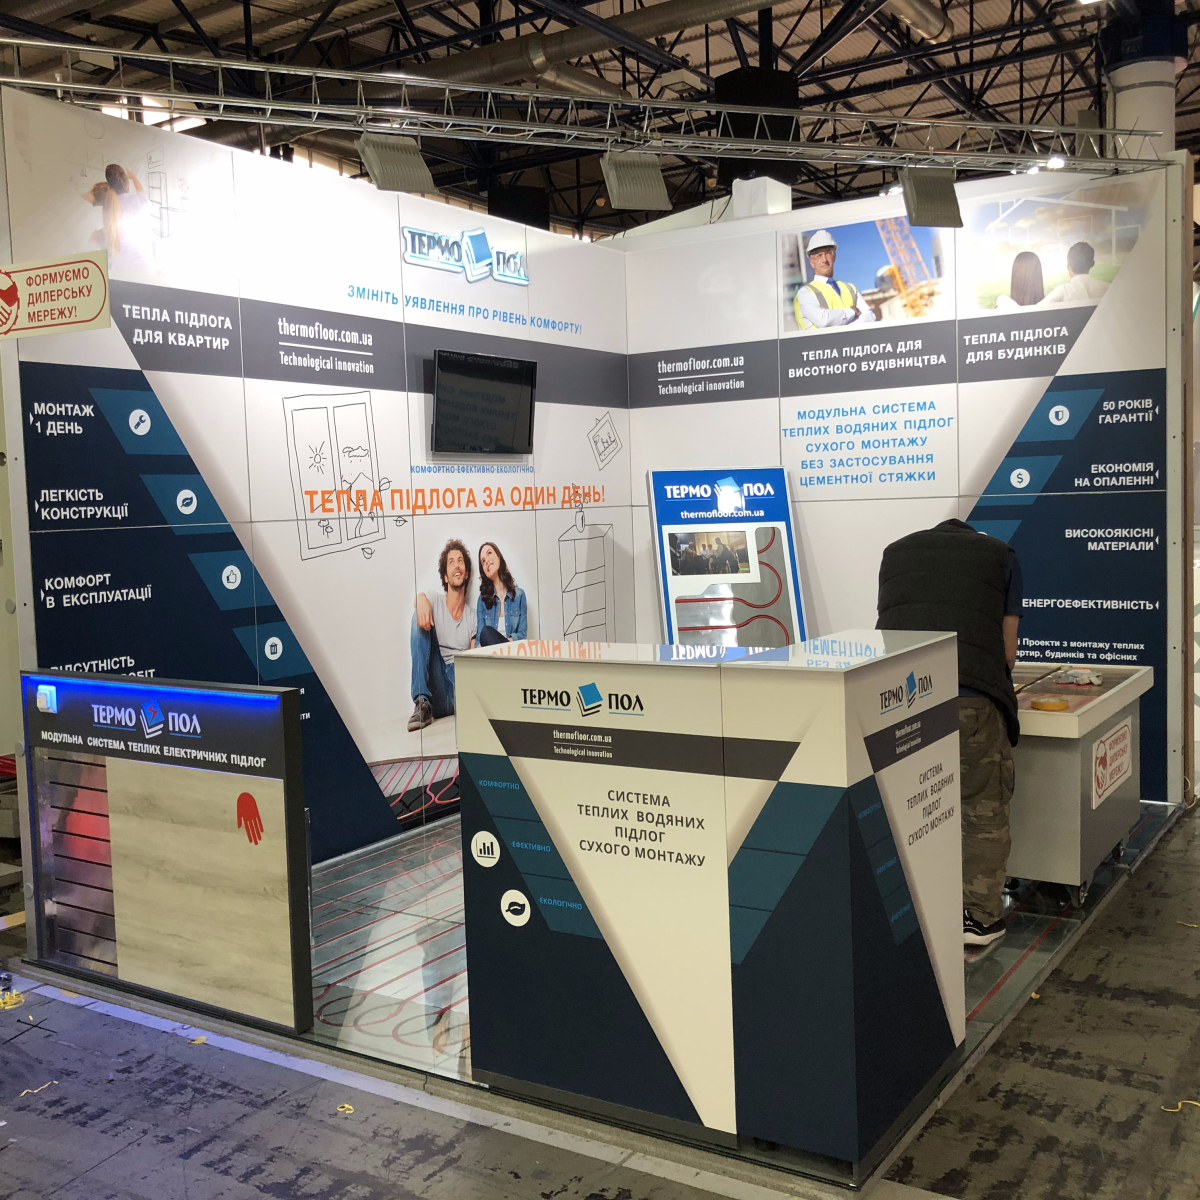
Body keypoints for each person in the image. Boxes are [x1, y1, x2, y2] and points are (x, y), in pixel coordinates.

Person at [875, 518, 1023, 948]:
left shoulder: (895, 551)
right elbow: (1007, 650)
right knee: (982, 806)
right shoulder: (1001, 555)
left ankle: (916, 907)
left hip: (900, 702)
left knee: (915, 805)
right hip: (969, 697)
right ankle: (979, 920)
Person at [408, 539, 477, 731]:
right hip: (436, 688)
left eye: (460, 561)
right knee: (418, 616)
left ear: (466, 573)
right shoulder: (434, 600)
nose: (457, 565)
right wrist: (420, 599)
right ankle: (421, 702)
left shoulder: (473, 617)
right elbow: (420, 600)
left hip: (458, 689)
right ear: (445, 577)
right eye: (451, 562)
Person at [793, 230, 877, 331]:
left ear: (834, 256)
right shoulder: (805, 293)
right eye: (819, 255)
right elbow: (823, 320)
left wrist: (834, 321)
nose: (824, 260)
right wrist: (852, 312)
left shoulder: (850, 288)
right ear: (812, 262)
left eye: (828, 253)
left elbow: (870, 318)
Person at [476, 541, 527, 646]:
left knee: (487, 632)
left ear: (499, 556)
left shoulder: (520, 596)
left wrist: (503, 647)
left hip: (511, 652)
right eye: (483, 561)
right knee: (486, 632)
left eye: (489, 553)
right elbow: (480, 638)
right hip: (490, 655)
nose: (486, 561)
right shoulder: (482, 601)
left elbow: (522, 635)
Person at [1041, 241, 1109, 305]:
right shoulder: (1108, 288)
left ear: (1068, 265)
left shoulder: (1062, 291)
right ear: (1092, 264)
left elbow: (1037, 309)